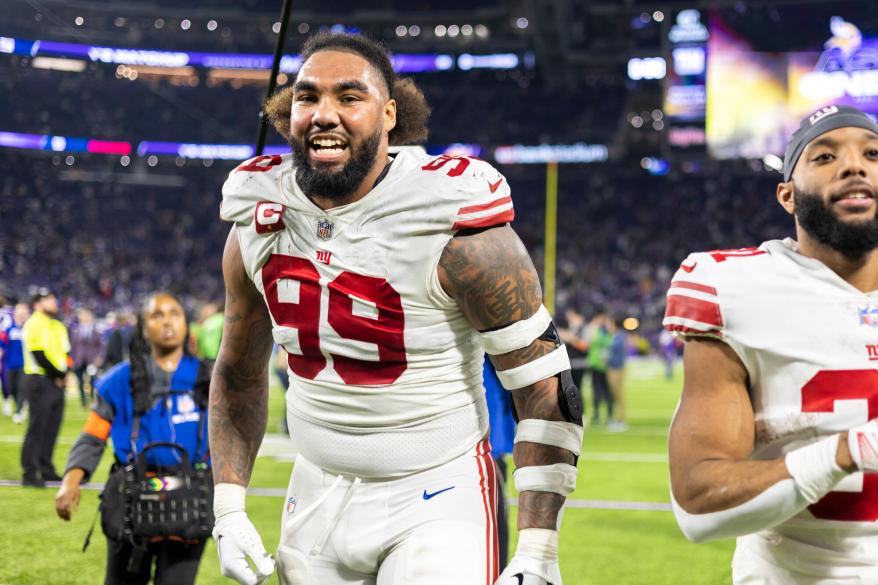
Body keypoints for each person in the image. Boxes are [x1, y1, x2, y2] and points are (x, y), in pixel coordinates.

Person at [209, 32, 583, 585]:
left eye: (349, 97)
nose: (324, 114)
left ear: (389, 114)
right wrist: (228, 506)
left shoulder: (454, 224)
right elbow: (238, 375)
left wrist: (537, 550)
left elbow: (546, 388)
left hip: (438, 493)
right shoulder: (259, 220)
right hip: (314, 490)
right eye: (308, 98)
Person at [664, 104, 878, 583]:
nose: (854, 165)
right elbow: (700, 507)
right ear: (787, 195)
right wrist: (851, 449)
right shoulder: (737, 288)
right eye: (824, 157)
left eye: (873, 154)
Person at [55, 292, 212, 585]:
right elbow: (92, 436)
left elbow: (235, 436)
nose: (167, 321)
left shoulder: (211, 377)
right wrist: (70, 481)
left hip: (190, 501)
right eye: (157, 315)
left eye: (174, 314)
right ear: (142, 328)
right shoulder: (118, 380)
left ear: (186, 324)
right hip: (132, 501)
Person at [20, 288, 69, 487]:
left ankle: (46, 468)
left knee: (51, 428)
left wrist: (66, 374)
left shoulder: (58, 326)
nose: (54, 302)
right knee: (37, 428)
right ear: (38, 303)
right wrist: (59, 375)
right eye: (49, 299)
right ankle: (30, 473)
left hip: (57, 383)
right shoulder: (34, 323)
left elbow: (66, 353)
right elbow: (37, 353)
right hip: (39, 380)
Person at [1, 302, 29, 422]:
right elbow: (2, 344)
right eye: (19, 312)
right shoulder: (8, 327)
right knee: (11, 387)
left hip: (25, 365)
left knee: (21, 387)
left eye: (24, 312)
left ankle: (19, 410)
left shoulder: (29, 328)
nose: (21, 314)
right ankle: (14, 404)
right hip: (10, 363)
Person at [69, 308, 103, 407]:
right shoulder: (75, 330)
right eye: (83, 315)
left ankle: (92, 399)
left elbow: (100, 346)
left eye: (87, 315)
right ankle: (83, 401)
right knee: (80, 381)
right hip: (79, 360)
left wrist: (99, 357)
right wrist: (72, 359)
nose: (84, 317)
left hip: (91, 360)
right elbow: (73, 346)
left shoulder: (96, 330)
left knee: (93, 380)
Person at [586, 310, 612, 425]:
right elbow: (590, 341)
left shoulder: (608, 330)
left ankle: (609, 415)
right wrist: (594, 327)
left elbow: (610, 343)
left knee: (608, 391)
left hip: (606, 366)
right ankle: (596, 415)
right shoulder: (593, 329)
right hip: (596, 364)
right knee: (596, 391)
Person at [605, 316, 628, 432]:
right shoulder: (619, 336)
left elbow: (614, 353)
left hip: (616, 368)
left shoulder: (618, 336)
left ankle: (621, 421)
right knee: (616, 395)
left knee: (617, 395)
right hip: (616, 368)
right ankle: (618, 419)